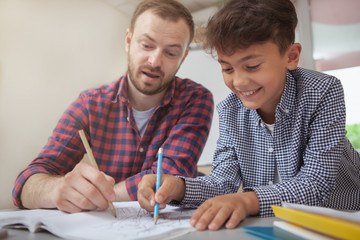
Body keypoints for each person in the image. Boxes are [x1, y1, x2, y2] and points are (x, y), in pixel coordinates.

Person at [137, 0, 360, 231]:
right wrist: (177, 187)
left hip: (342, 219)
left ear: (291, 56)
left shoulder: (322, 91)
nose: (239, 81)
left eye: (252, 66)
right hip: (275, 225)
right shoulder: (230, 111)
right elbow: (222, 182)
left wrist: (247, 200)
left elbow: (316, 185)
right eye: (227, 68)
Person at [13, 0, 214, 213]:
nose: (155, 61)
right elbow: (26, 183)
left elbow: (167, 176)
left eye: (171, 53)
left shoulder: (196, 99)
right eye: (146, 45)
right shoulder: (90, 104)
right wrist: (54, 189)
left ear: (183, 57)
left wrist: (98, 197)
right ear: (128, 41)